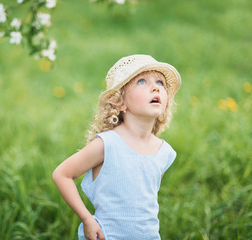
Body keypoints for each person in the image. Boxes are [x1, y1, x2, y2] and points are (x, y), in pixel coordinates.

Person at [52, 54, 181, 240]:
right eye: (142, 81)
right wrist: (87, 219)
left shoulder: (163, 152)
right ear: (120, 102)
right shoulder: (108, 144)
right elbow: (62, 174)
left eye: (160, 83)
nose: (155, 87)